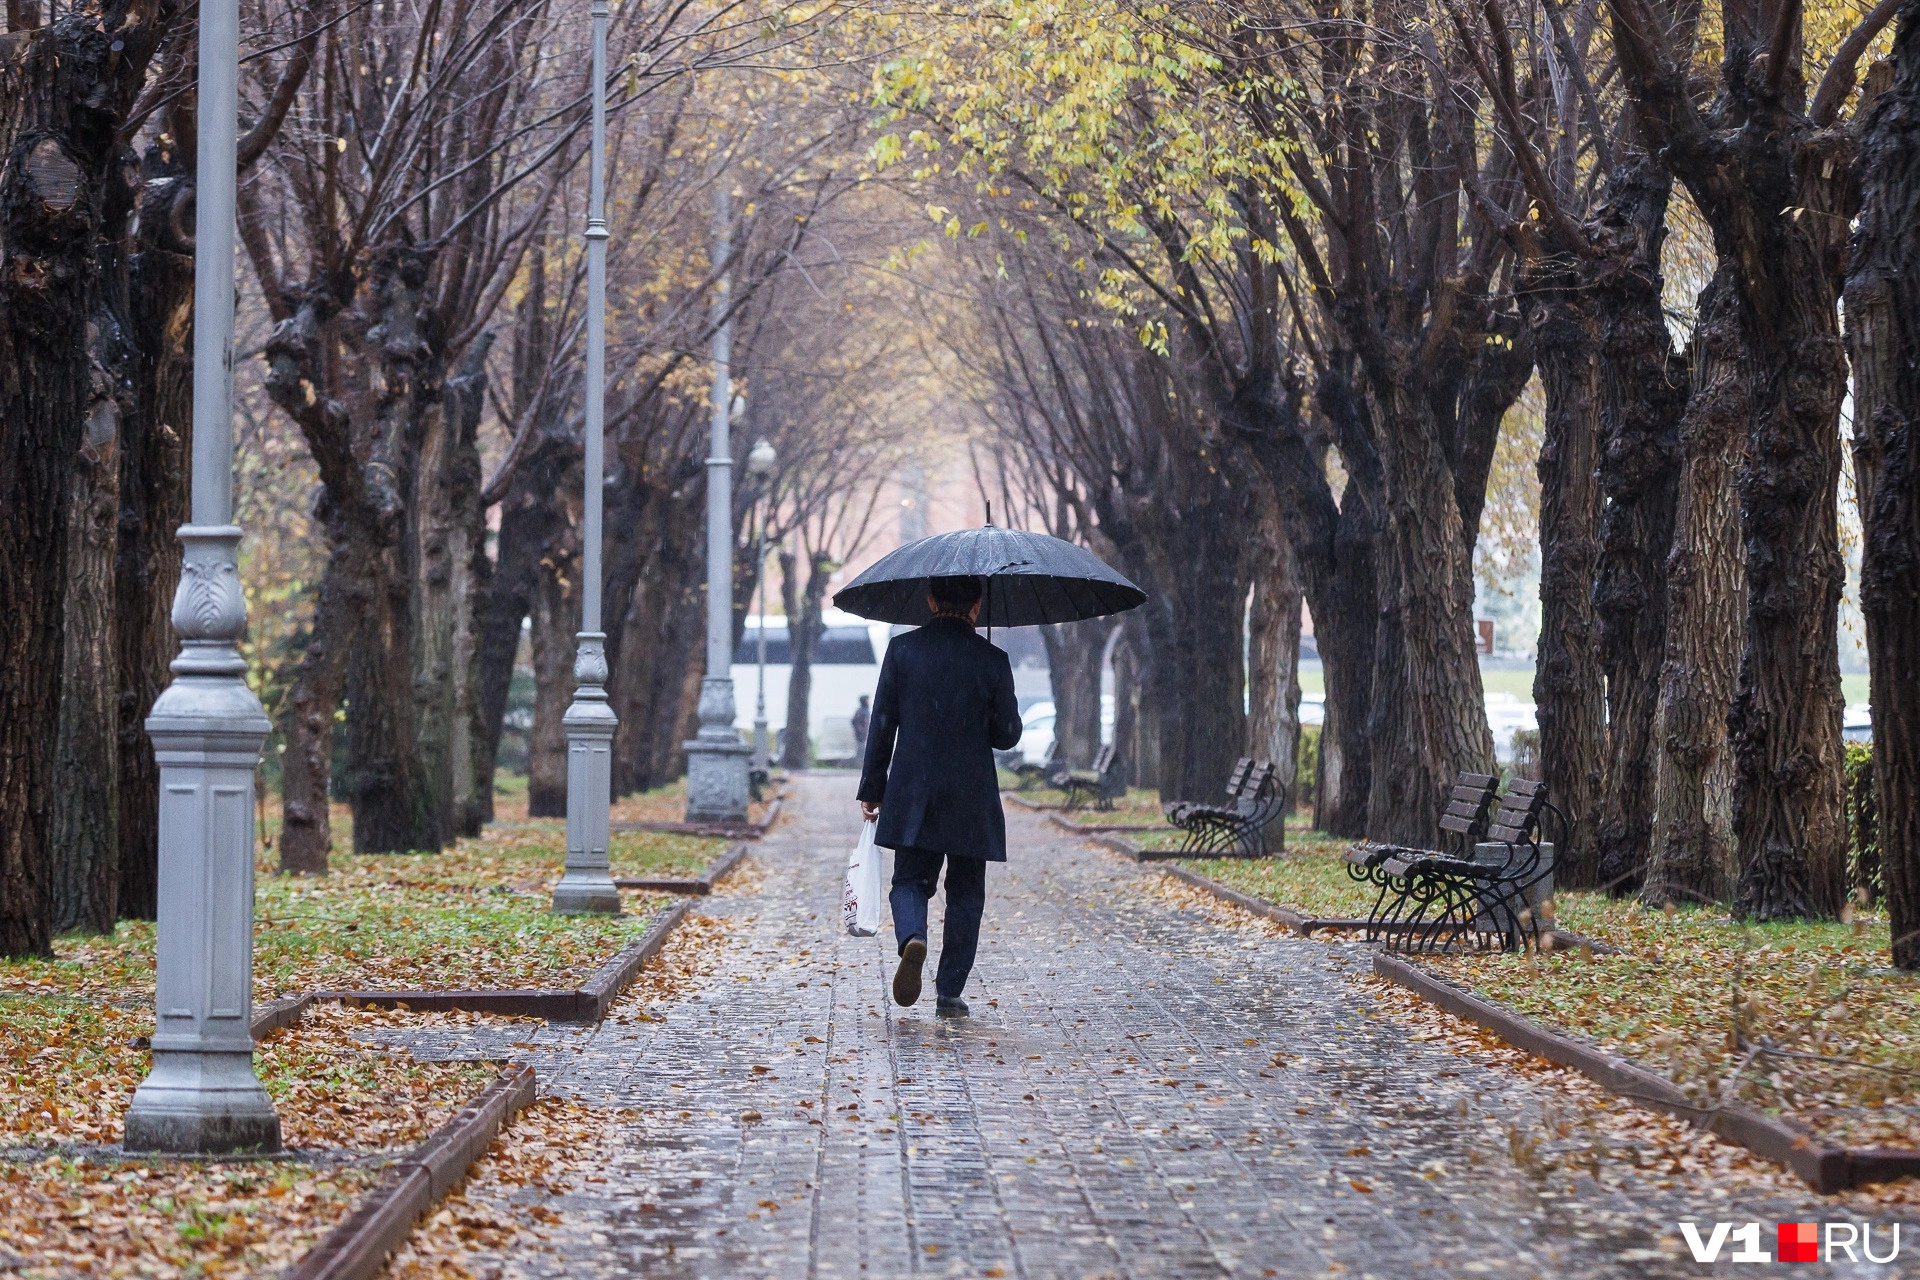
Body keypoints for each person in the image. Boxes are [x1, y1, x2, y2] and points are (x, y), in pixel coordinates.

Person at [856, 575, 1022, 1016]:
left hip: (914, 792)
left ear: (930, 600)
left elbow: (882, 724)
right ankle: (949, 991)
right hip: (971, 795)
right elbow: (1007, 736)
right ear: (977, 606)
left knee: (910, 880)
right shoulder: (993, 659)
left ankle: (913, 936)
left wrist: (873, 788)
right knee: (966, 893)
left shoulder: (903, 652)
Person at [851, 695, 871, 764]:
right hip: (861, 734)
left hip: (866, 734)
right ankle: (859, 764)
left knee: (864, 749)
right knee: (861, 749)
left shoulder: (866, 710)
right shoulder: (860, 711)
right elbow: (856, 722)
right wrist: (861, 732)